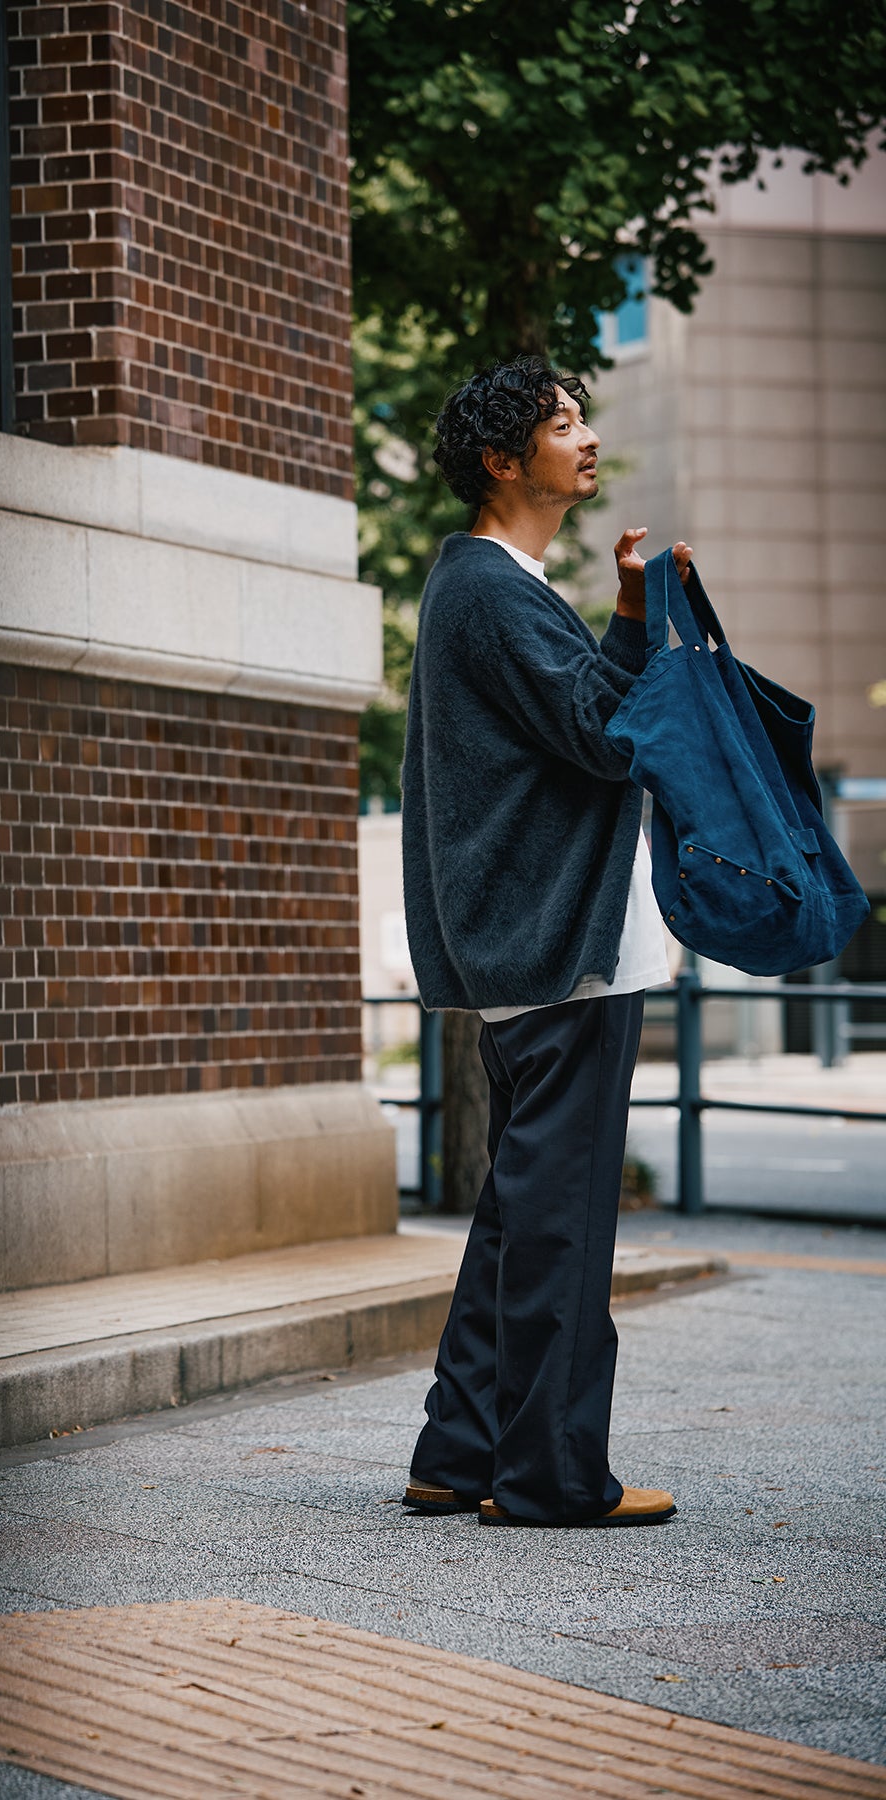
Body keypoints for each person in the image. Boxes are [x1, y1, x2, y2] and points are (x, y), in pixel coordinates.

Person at [400, 353, 692, 1528]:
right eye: (557, 424)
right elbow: (603, 731)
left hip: (531, 942)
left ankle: (459, 1449)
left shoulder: (486, 582)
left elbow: (579, 725)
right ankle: (550, 1479)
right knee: (560, 1223)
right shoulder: (490, 587)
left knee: (522, 1213)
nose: (583, 437)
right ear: (500, 459)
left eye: (581, 417)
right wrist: (633, 615)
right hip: (560, 946)